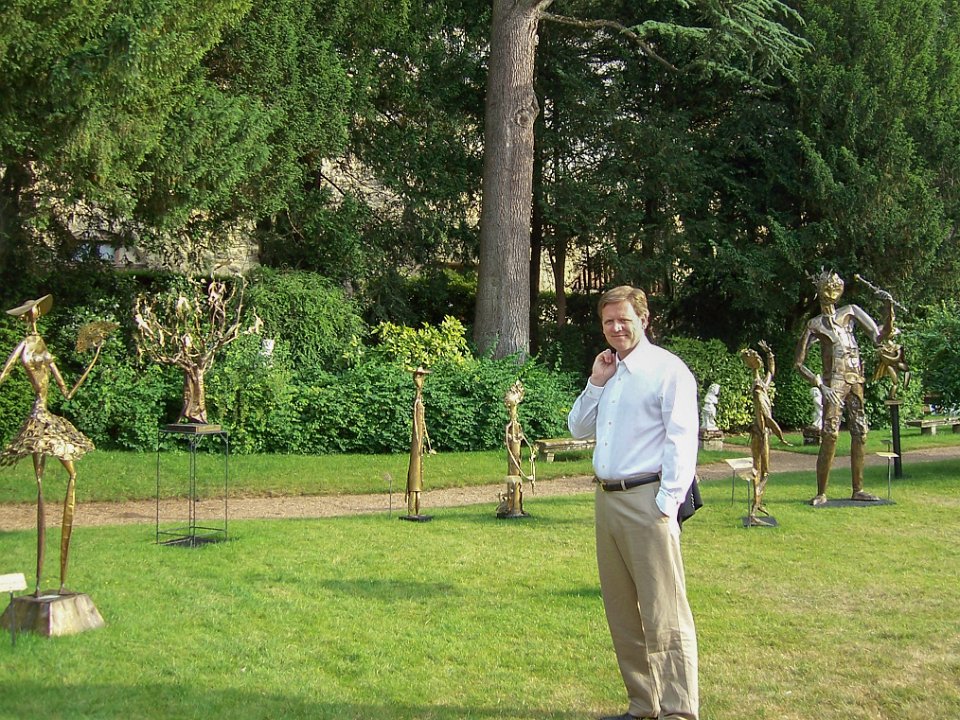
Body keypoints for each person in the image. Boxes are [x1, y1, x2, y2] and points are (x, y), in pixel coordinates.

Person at [568, 285, 699, 720]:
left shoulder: (667, 370)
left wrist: (667, 505)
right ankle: (643, 705)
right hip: (607, 501)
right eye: (608, 321)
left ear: (644, 319)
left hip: (648, 500)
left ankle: (679, 711)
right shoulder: (610, 372)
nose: (616, 327)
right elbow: (577, 428)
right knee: (621, 611)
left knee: (665, 611)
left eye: (624, 319)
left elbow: (682, 439)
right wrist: (595, 382)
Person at [0, 295, 106, 595]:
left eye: (36, 309)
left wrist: (91, 362)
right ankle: (37, 582)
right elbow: (7, 371)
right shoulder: (26, 345)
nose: (35, 313)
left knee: (72, 475)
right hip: (37, 421)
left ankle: (60, 581)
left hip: (49, 419)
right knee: (41, 487)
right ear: (26, 316)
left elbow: (65, 390)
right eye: (31, 310)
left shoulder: (42, 344)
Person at [794, 270, 893, 505]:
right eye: (827, 287)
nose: (832, 291)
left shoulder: (851, 312)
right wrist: (820, 385)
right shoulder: (814, 324)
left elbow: (879, 336)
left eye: (836, 286)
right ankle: (821, 492)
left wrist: (889, 309)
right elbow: (798, 364)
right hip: (834, 382)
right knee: (830, 434)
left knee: (861, 432)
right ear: (820, 290)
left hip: (856, 380)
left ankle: (858, 489)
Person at [740, 341, 790, 522]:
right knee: (761, 470)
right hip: (760, 434)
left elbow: (771, 372)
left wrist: (770, 354)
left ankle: (758, 503)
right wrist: (781, 438)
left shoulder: (761, 384)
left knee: (762, 471)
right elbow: (767, 419)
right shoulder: (758, 390)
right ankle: (754, 509)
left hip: (762, 433)